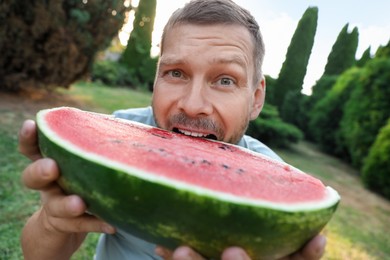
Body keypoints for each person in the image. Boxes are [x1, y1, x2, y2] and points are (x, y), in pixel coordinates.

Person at [19, 0, 327, 259]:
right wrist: (52, 223)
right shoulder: (118, 135)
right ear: (155, 80)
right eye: (176, 73)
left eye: (225, 80)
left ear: (256, 98)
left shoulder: (273, 181)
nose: (193, 106)